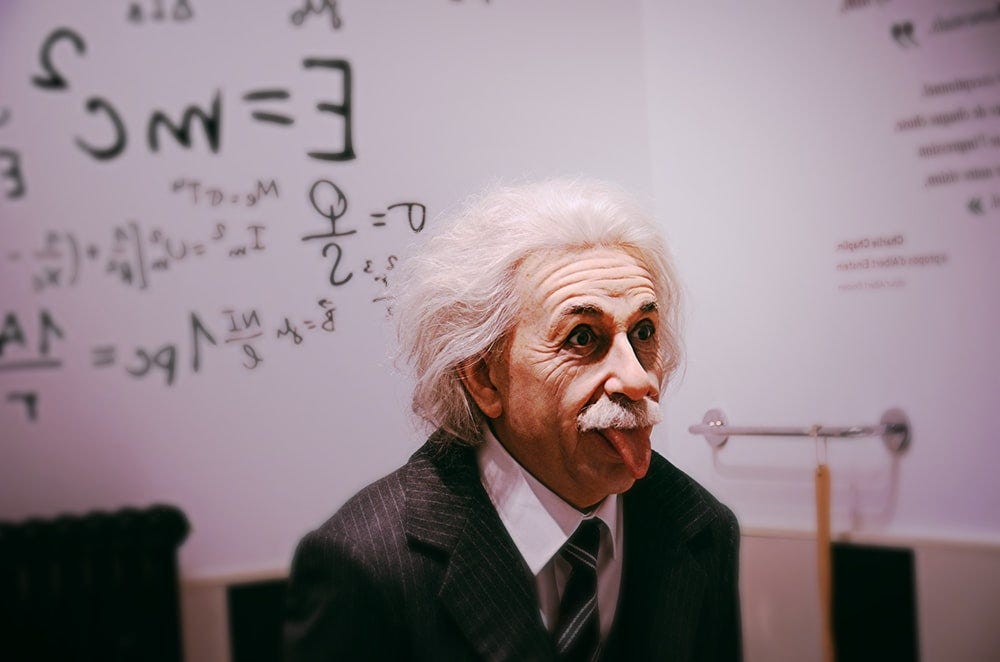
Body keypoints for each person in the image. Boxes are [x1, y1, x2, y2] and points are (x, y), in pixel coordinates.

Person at [284, 179, 741, 661]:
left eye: (644, 332)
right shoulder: (364, 563)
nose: (637, 379)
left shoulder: (701, 528)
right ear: (484, 377)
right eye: (582, 338)